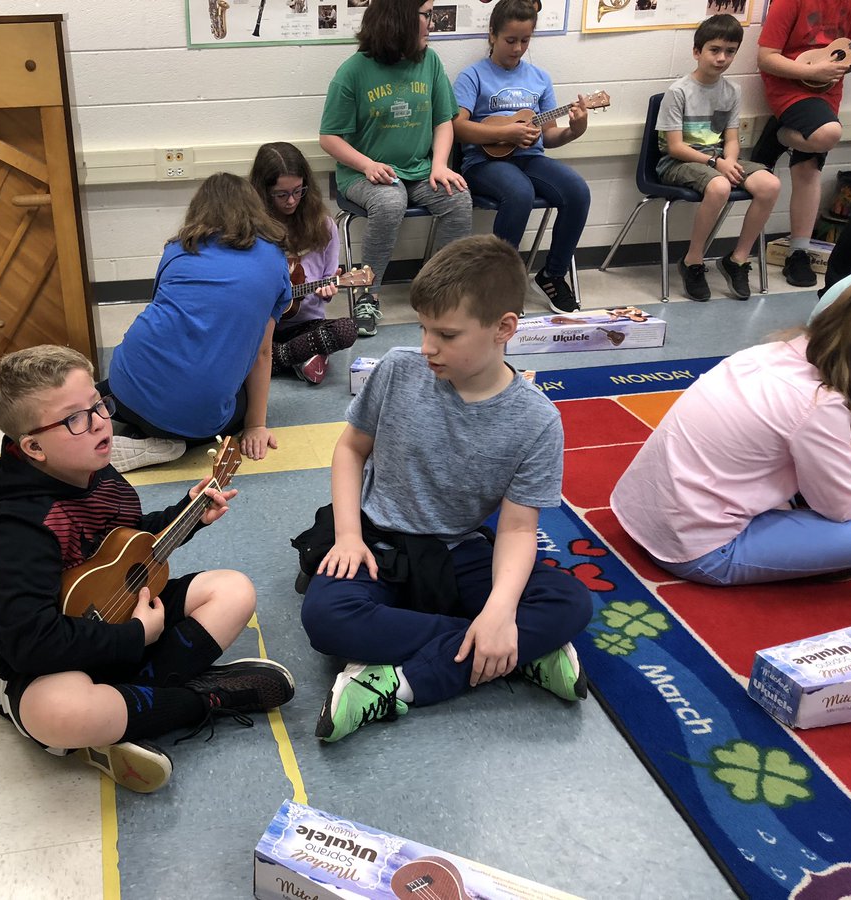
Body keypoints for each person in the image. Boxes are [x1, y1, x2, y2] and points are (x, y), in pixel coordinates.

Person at [295, 235, 593, 743]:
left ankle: (398, 683)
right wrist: (348, 536)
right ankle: (517, 653)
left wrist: (499, 609)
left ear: (504, 329)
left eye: (448, 334)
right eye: (423, 328)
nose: (429, 346)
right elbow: (350, 451)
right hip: (378, 544)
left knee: (571, 602)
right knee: (325, 618)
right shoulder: (397, 369)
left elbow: (519, 528)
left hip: (458, 550)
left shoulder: (537, 420)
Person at [0, 345, 295, 793]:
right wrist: (137, 637)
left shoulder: (100, 475)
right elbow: (30, 645)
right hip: (42, 663)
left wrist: (190, 513)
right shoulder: (12, 532)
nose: (100, 421)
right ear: (33, 447)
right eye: (74, 419)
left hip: (120, 620)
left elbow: (125, 546)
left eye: (97, 404)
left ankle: (125, 711)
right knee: (59, 712)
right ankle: (202, 698)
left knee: (233, 590)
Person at [611, 283, 851, 586]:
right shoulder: (819, 405)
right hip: (701, 551)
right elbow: (842, 508)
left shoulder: (768, 353)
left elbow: (836, 440)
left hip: (643, 516)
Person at [100, 173, 291, 473]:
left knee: (154, 373)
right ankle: (173, 443)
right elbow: (262, 353)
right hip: (196, 422)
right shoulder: (274, 258)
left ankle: (115, 420)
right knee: (237, 398)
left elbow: (164, 316)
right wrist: (256, 425)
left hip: (124, 389)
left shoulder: (177, 248)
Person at [319, 0, 472, 338]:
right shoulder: (353, 71)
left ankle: (440, 292)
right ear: (400, 19)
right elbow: (328, 137)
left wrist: (440, 165)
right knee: (390, 201)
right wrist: (367, 164)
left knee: (458, 197)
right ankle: (368, 295)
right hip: (362, 174)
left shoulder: (430, 61)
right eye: (427, 15)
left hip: (418, 169)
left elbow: (444, 121)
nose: (433, 22)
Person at [451, 0, 590, 315]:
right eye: (510, 40)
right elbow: (458, 128)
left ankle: (552, 274)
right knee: (519, 193)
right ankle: (500, 284)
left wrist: (574, 130)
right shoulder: (472, 76)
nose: (517, 48)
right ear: (492, 36)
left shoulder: (539, 78)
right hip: (484, 163)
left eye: (524, 41)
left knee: (577, 191)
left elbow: (551, 136)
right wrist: (505, 134)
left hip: (530, 159)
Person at [656, 15, 782, 301]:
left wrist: (730, 161)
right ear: (697, 51)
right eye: (715, 50)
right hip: (679, 162)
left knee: (770, 185)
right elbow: (674, 147)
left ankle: (737, 259)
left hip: (717, 158)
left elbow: (732, 139)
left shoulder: (732, 91)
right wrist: (717, 165)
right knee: (720, 186)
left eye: (730, 51)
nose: (722, 58)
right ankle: (693, 260)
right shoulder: (678, 92)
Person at [750, 0, 851, 287]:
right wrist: (811, 72)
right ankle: (779, 135)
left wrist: (842, 63)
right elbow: (766, 58)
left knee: (809, 167)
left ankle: (798, 252)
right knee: (828, 134)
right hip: (789, 87)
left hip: (827, 90)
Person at [249, 142, 358, 385]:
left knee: (345, 330)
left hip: (305, 324)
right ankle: (300, 357)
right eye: (281, 194)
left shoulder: (324, 226)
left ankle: (270, 360)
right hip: (260, 325)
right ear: (263, 192)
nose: (291, 200)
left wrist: (327, 292)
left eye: (298, 191)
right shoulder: (250, 228)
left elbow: (326, 284)